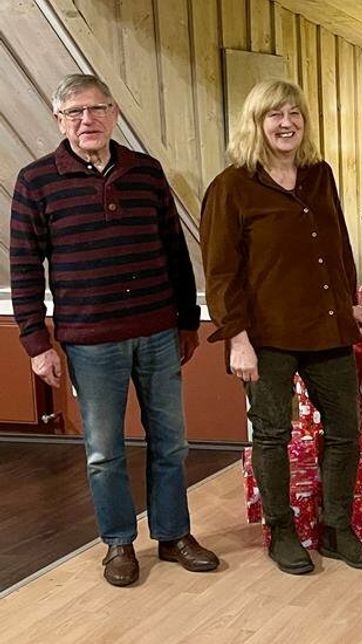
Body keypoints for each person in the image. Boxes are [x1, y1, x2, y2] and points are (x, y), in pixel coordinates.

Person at [9, 73, 219, 587]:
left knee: (171, 443)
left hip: (158, 333)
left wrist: (187, 322)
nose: (88, 120)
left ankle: (173, 535)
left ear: (114, 113)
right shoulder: (36, 181)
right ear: (59, 120)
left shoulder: (146, 172)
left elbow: (175, 250)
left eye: (97, 109)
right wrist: (37, 343)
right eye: (75, 112)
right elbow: (25, 267)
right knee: (104, 453)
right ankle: (119, 543)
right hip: (89, 341)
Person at [200, 79, 362, 575]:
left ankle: (337, 529)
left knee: (345, 432)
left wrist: (347, 303)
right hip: (266, 339)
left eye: (294, 113)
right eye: (275, 115)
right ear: (256, 123)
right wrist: (237, 339)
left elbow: (336, 246)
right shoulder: (231, 187)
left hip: (328, 330)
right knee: (272, 435)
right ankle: (282, 532)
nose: (287, 123)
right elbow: (220, 273)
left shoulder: (319, 175)